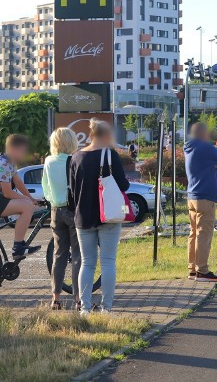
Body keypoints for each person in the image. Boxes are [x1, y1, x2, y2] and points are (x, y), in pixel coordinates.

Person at [70, 119, 130, 315]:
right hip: (109, 216)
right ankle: (106, 307)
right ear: (106, 136)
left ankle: (84, 308)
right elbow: (123, 185)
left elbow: (72, 192)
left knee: (87, 263)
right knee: (108, 261)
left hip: (83, 216)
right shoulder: (110, 155)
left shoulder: (76, 157)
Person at [184, 123, 217, 282]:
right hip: (206, 196)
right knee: (204, 234)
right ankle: (202, 271)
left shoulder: (188, 147)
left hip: (192, 195)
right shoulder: (206, 148)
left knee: (193, 233)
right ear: (203, 134)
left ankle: (192, 269)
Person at [42, 128, 80, 311]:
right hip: (73, 211)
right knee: (78, 256)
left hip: (56, 211)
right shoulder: (74, 160)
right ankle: (79, 298)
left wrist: (53, 200)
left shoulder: (48, 161)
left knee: (59, 255)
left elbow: (46, 188)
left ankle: (55, 299)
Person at [0, 134, 40, 260]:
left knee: (28, 204)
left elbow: (18, 182)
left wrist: (31, 198)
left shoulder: (9, 162)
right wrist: (28, 201)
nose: (24, 154)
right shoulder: (4, 163)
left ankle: (19, 245)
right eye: (23, 150)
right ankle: (18, 248)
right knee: (27, 207)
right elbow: (7, 193)